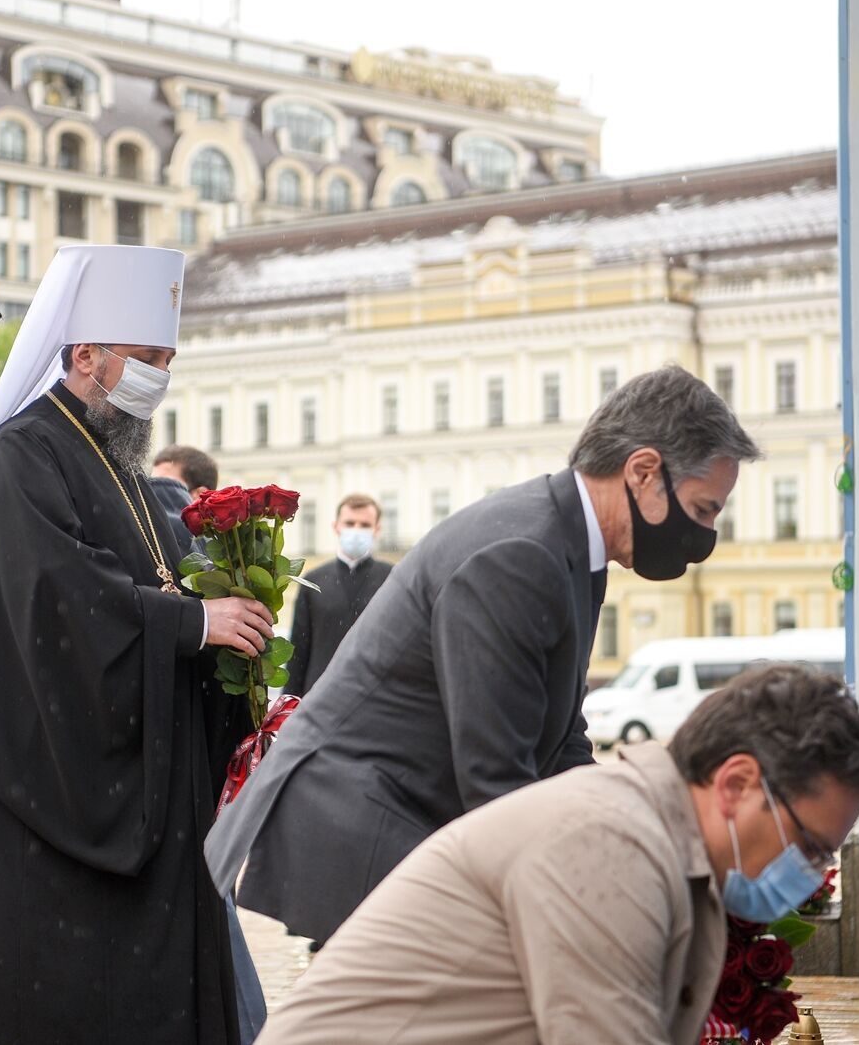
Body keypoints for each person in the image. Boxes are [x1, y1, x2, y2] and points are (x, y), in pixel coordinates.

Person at [208, 364, 761, 943]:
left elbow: (559, 738)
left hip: (407, 825)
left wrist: (629, 836)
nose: (702, 539)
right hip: (367, 830)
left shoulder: (573, 545)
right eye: (702, 510)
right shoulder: (523, 554)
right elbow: (495, 775)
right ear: (644, 472)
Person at [0, 245, 269, 1044]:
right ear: (85, 355)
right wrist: (196, 624)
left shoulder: (119, 457)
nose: (158, 375)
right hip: (57, 785)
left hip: (145, 781)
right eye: (144, 358)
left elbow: (159, 578)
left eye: (168, 359)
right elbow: (57, 598)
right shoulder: (26, 451)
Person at [256, 666, 859, 1044]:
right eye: (808, 845)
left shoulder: (672, 853)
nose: (812, 874)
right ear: (735, 785)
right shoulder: (611, 845)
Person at [281, 494, 393, 699]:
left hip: (377, 699)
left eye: (365, 525)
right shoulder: (313, 581)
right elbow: (298, 652)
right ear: (336, 527)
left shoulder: (393, 579)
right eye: (350, 523)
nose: (357, 530)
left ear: (377, 530)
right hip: (319, 697)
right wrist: (288, 706)